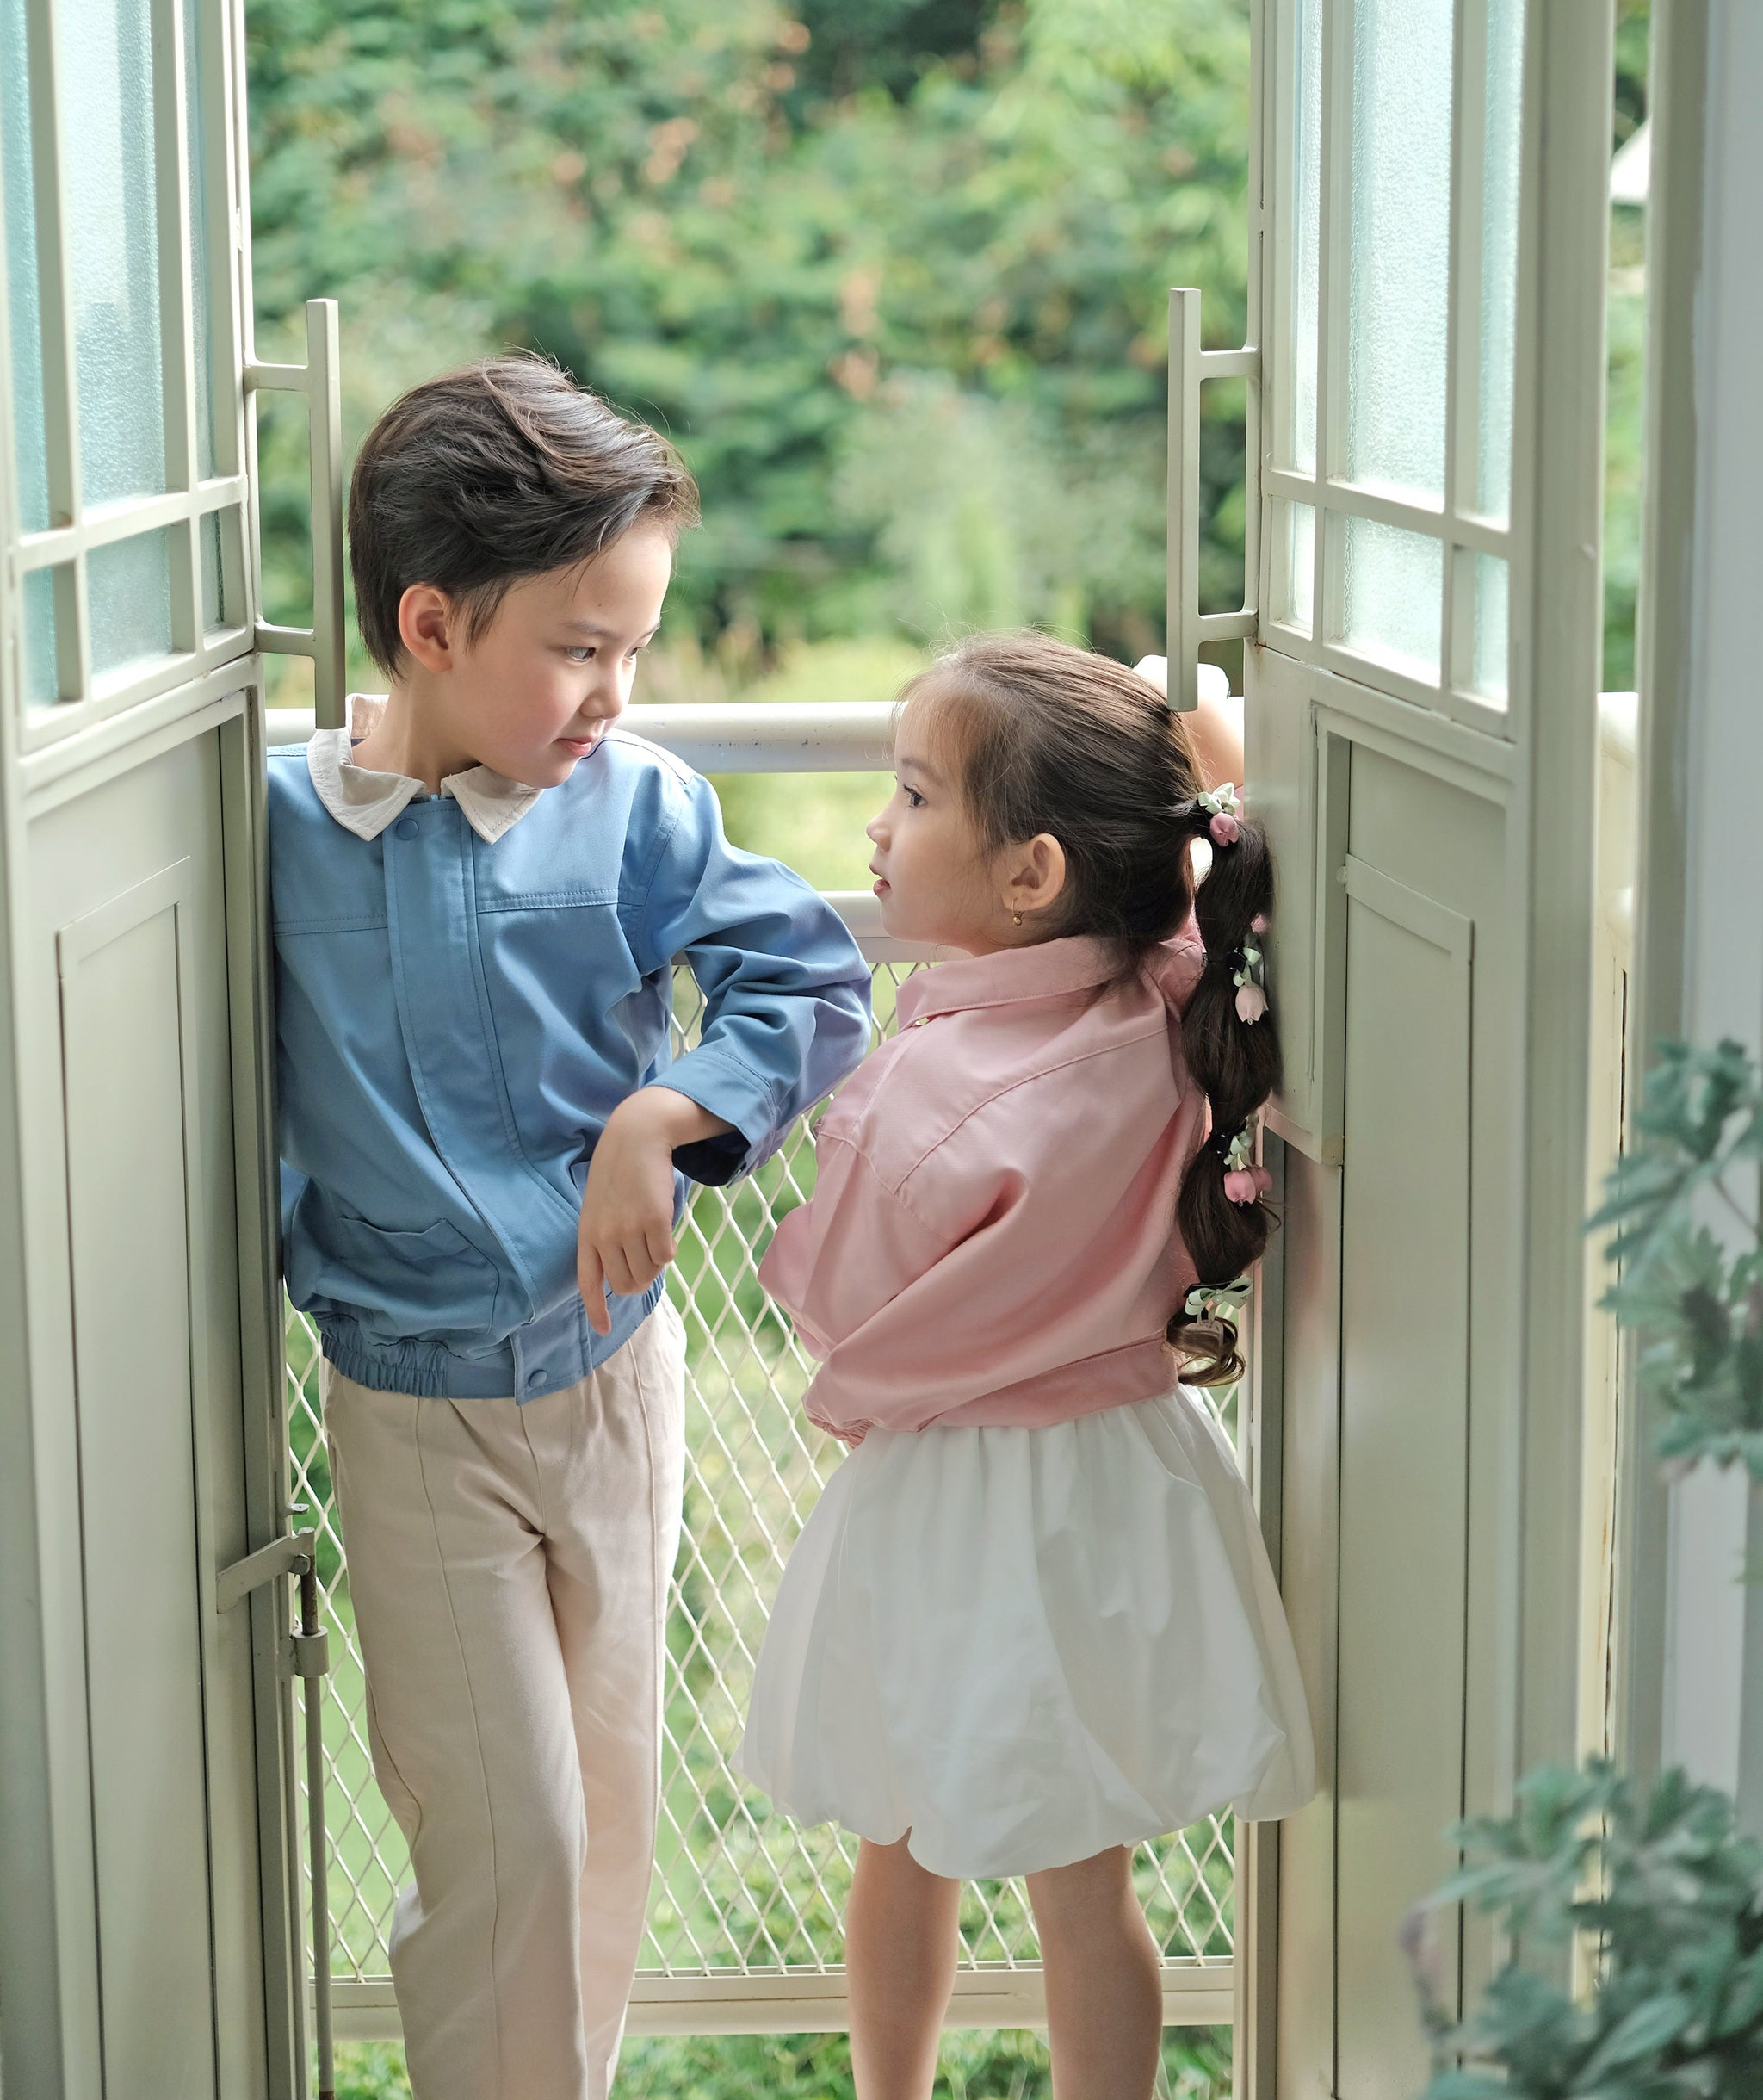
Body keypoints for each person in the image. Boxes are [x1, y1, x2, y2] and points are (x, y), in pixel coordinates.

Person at [269, 357, 873, 2100]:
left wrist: (660, 1115)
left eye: (637, 649)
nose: (617, 693)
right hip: (411, 1410)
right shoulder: (277, 833)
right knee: (506, 1831)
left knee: (605, 1814)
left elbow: (810, 979)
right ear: (430, 625)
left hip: (615, 1382)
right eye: (582, 648)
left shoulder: (637, 806)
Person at [739, 633, 1315, 2100]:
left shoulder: (926, 1095)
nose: (879, 824)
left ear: (1031, 874)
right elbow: (1222, 882)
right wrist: (1212, 751)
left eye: (913, 794)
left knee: (901, 1839)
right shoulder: (1181, 1004)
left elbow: (839, 1307)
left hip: (952, 1507)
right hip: (1118, 1485)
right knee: (1086, 1887)